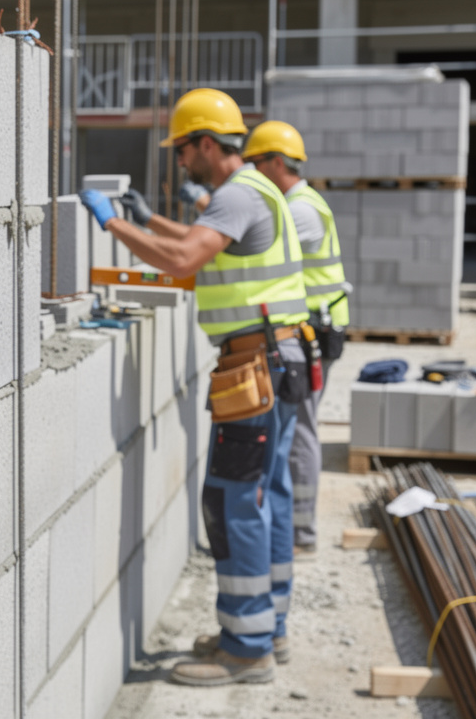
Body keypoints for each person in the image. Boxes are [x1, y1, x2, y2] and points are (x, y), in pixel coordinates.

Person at [78, 88, 308, 686]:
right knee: (262, 495)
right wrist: (148, 216)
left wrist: (115, 223)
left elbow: (184, 258)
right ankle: (265, 630)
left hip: (254, 368)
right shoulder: (255, 190)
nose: (180, 162)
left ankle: (247, 649)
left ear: (208, 144)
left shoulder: (235, 195)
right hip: (273, 361)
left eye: (183, 151)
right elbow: (199, 239)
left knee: (233, 503)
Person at [244, 121, 351, 557]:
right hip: (311, 332)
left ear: (275, 162)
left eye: (255, 165)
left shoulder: (300, 210)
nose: (251, 175)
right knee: (295, 428)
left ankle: (301, 533)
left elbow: (259, 247)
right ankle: (295, 528)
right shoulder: (297, 202)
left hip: (314, 337)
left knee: (301, 429)